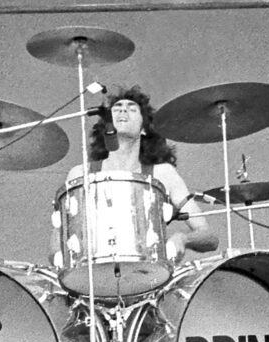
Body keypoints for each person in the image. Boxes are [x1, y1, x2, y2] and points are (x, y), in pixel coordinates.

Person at [59, 86, 217, 262]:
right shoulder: (81, 173)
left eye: (132, 109)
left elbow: (209, 236)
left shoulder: (163, 174)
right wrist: (58, 259)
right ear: (107, 126)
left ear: (144, 129)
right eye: (117, 108)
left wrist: (183, 238)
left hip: (147, 273)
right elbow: (58, 233)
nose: (123, 110)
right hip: (91, 273)